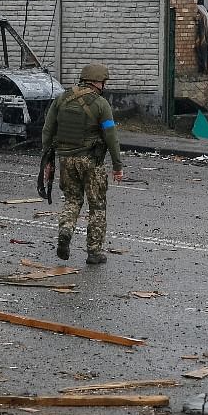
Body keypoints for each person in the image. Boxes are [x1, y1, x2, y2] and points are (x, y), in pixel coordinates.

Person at [41, 62, 124, 264]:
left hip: (66, 159)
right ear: (97, 82)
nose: (104, 85)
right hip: (91, 161)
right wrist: (117, 165)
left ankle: (66, 230)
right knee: (97, 206)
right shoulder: (101, 104)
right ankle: (94, 252)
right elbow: (111, 136)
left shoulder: (61, 99)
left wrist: (47, 160)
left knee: (72, 199)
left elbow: (47, 130)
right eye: (103, 82)